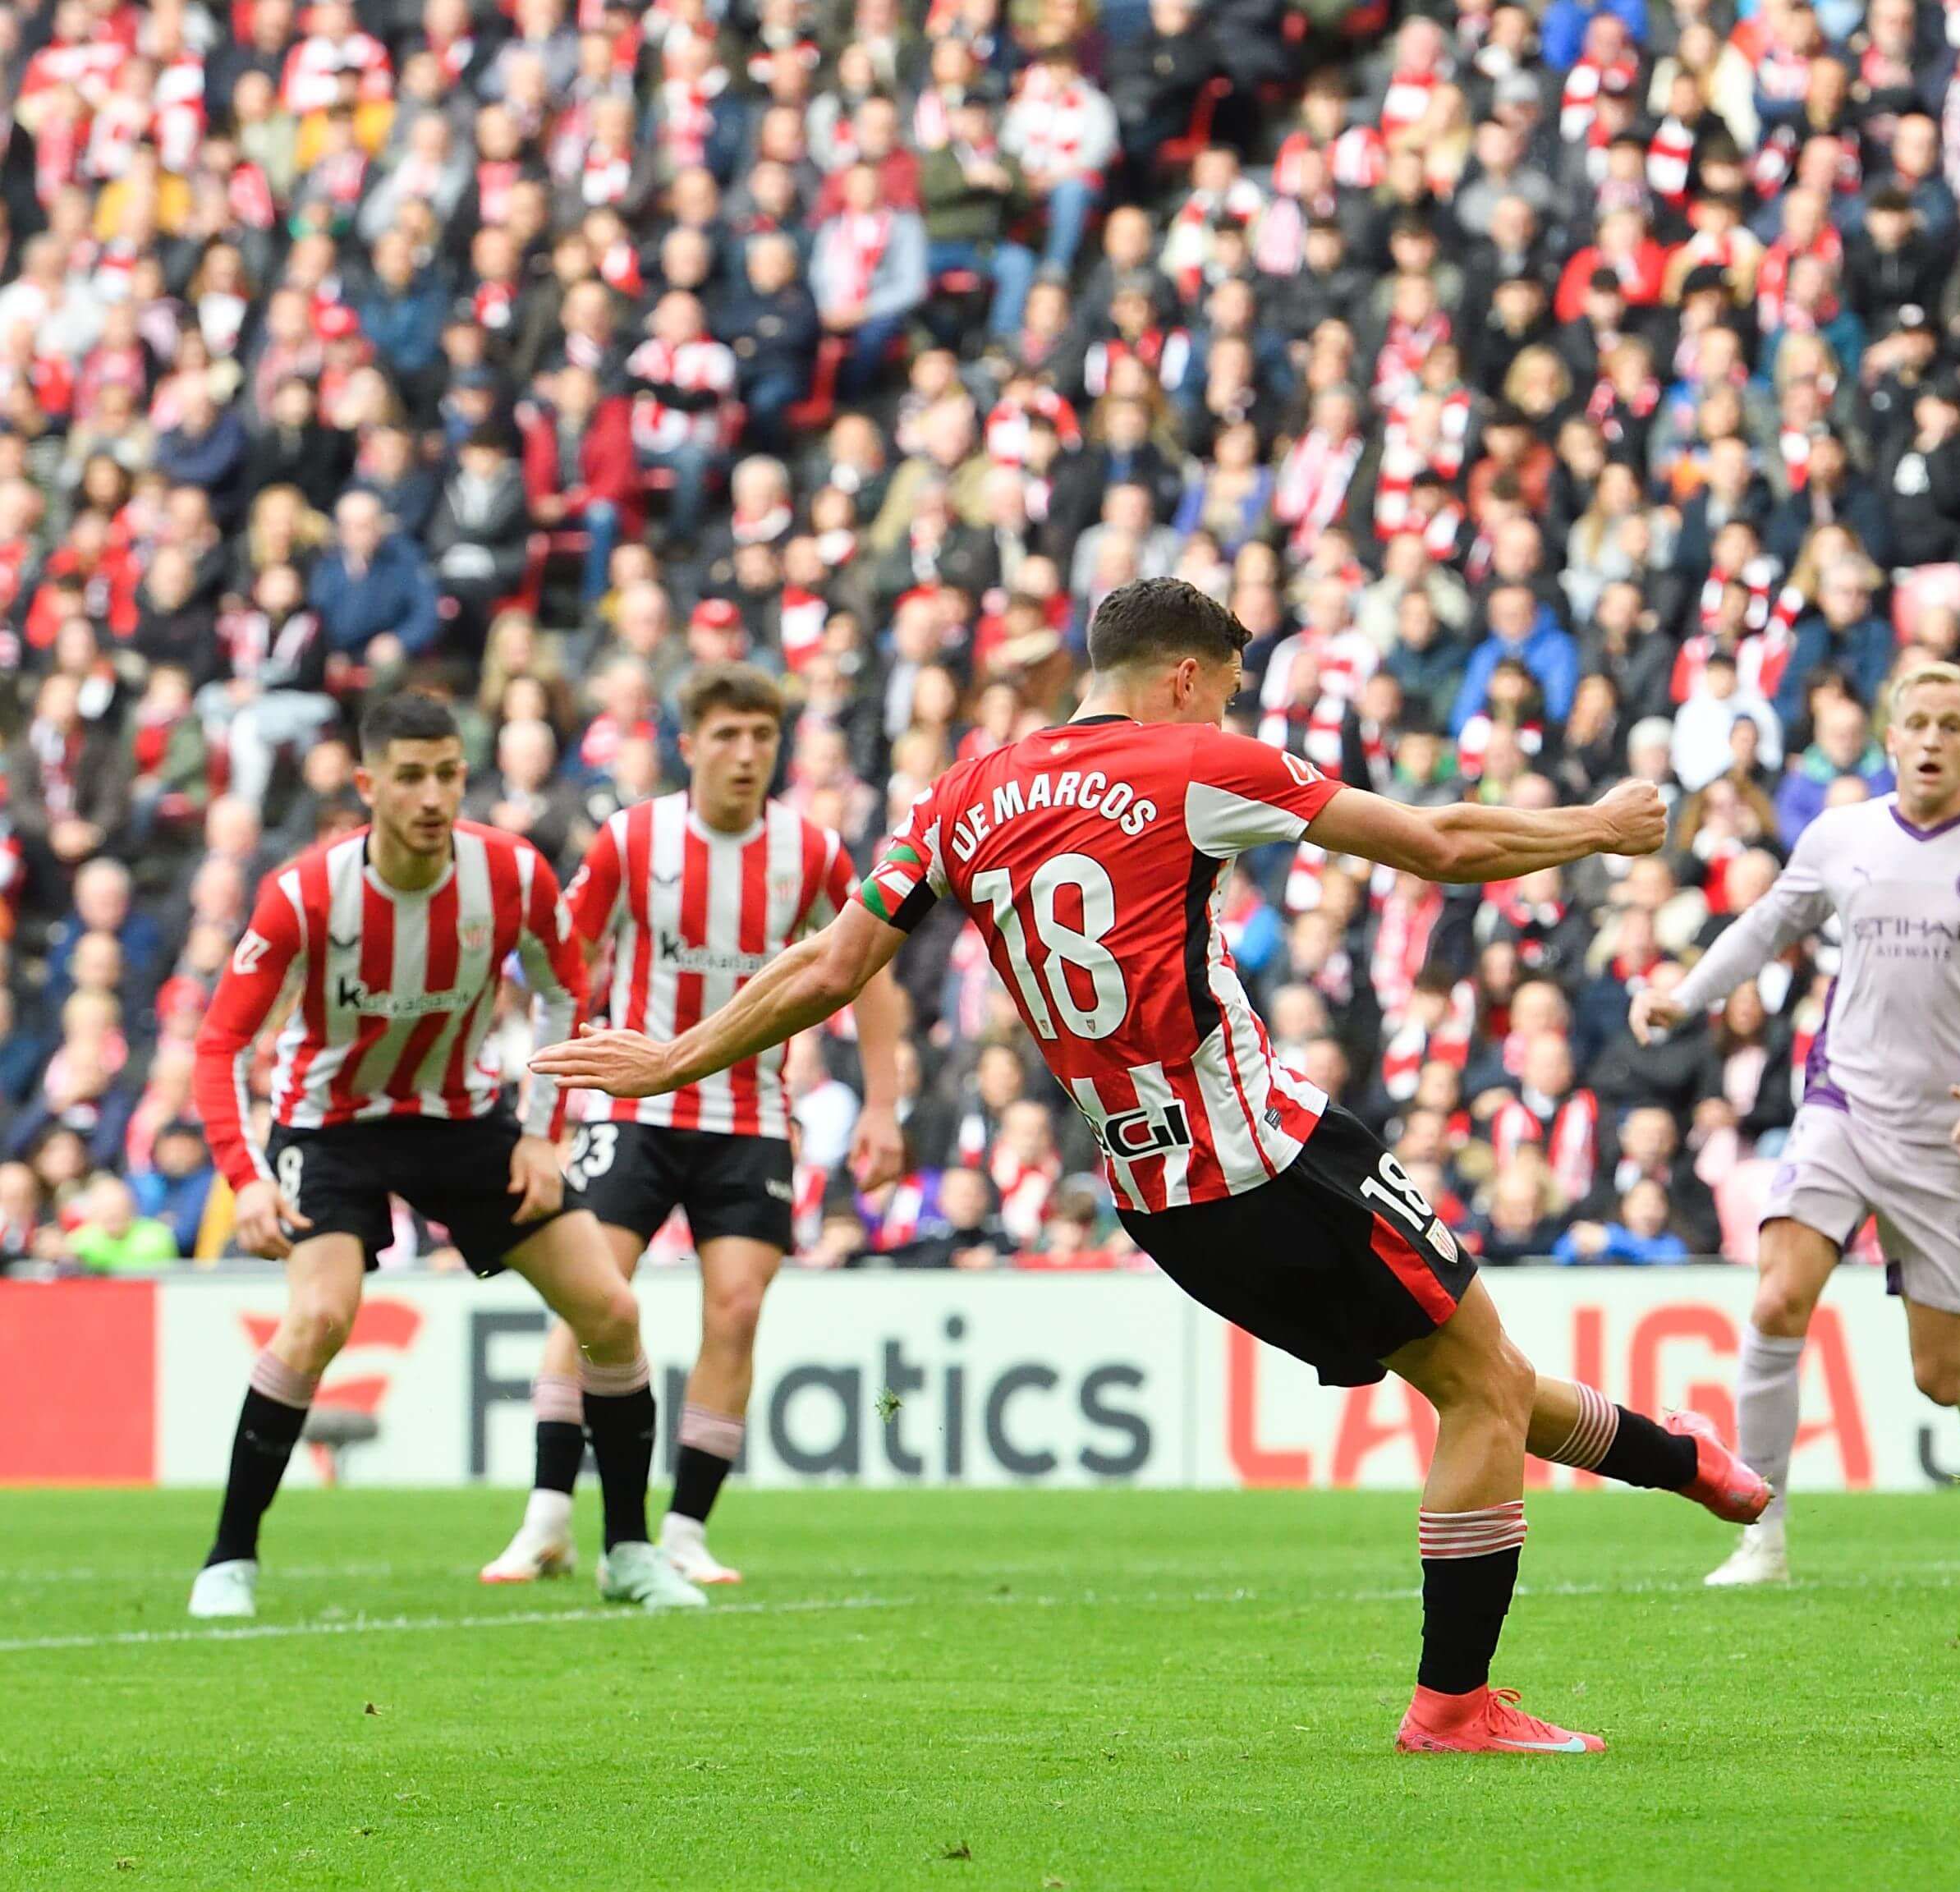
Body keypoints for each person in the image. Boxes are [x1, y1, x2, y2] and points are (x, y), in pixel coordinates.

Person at [534, 579, 1765, 1756]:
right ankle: (1456, 1705)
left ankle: (1686, 1464)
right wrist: (1599, 830)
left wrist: (675, 1059)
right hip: (1274, 1151)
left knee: (1470, 1374)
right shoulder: (1196, 764)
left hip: (1162, 1202)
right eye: (1227, 690)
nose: (1231, 715)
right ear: (1184, 679)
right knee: (1485, 1388)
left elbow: (825, 969)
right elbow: (1437, 841)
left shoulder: (963, 797)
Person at [188, 696, 703, 1619]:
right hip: (330, 1123)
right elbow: (219, 1043)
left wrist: (545, 1133)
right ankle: (230, 1559)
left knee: (611, 1310)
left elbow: (562, 992)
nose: (432, 795)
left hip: (463, 1118)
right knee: (320, 1318)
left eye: (449, 774)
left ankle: (627, 1550)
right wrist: (245, 1176)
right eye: (411, 776)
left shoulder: (510, 874)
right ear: (368, 785)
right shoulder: (306, 892)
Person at [1626, 660, 1960, 1588]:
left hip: (1949, 1130)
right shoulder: (1841, 836)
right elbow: (1763, 928)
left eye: (1954, 725)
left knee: (1938, 1379)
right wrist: (1685, 996)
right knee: (1778, 1297)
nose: (1935, 739)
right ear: (1891, 738)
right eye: (1919, 722)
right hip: (1841, 1102)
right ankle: (1763, 1537)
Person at [480, 668, 914, 1590]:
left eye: (762, 735)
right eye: (728, 736)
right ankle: (548, 1516)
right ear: (689, 745)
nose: (748, 753)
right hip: (633, 1106)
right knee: (591, 1298)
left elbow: (869, 976)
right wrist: (545, 1104)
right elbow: (570, 962)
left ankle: (683, 1532)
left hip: (749, 1111)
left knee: (739, 1309)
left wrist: (880, 1102)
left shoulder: (811, 851)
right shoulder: (634, 841)